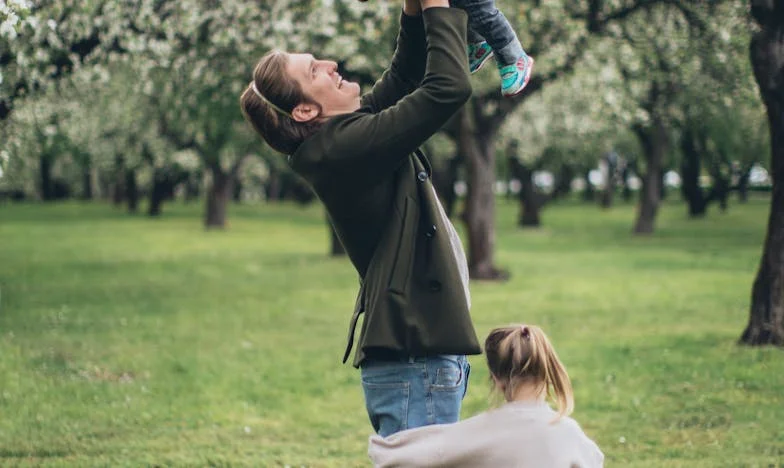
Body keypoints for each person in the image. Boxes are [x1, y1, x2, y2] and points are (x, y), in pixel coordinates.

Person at [239, 0, 481, 437]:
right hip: (415, 362)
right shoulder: (344, 150)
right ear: (305, 111)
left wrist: (412, 10)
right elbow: (447, 87)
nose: (331, 65)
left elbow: (406, 76)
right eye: (314, 71)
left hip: (419, 359)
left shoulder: (342, 140)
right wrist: (437, 8)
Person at [368, 324, 605, 467]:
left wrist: (379, 446)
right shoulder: (571, 434)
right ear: (547, 372)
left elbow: (395, 456)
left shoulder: (479, 432)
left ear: (496, 378)